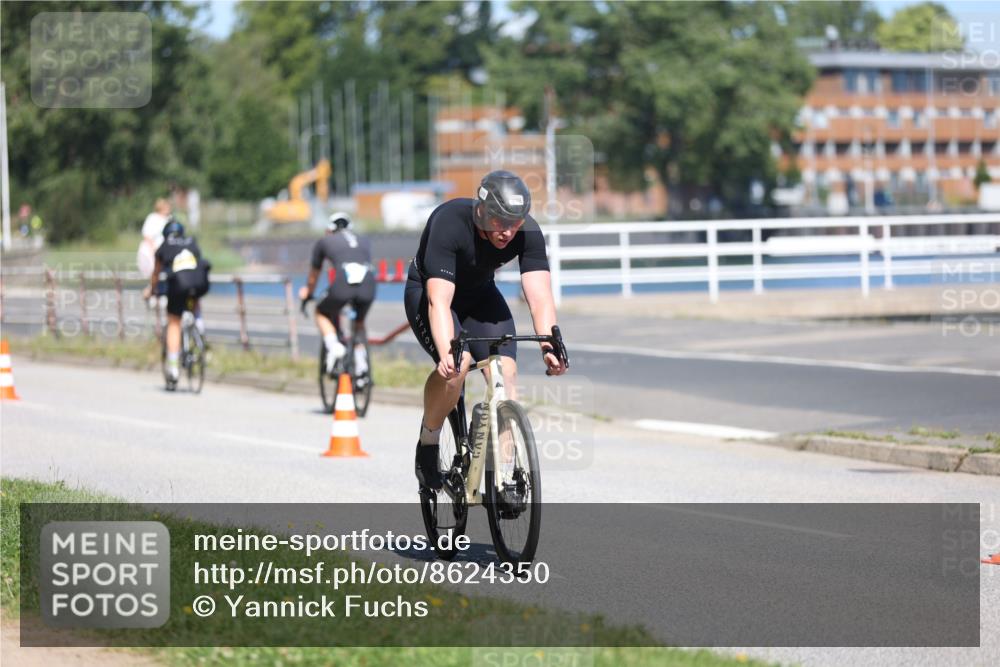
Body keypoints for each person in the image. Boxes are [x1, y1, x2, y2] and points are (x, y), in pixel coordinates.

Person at [404, 170, 567, 490]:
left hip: (480, 297)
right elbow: (439, 301)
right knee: (458, 366)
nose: (507, 231)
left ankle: (504, 479)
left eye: (515, 223)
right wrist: (446, 351)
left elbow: (539, 297)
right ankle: (429, 442)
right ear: (482, 209)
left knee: (506, 373)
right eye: (500, 221)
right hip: (431, 295)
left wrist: (550, 346)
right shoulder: (450, 221)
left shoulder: (526, 231)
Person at [298, 212, 376, 374]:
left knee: (320, 311)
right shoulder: (363, 240)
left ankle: (333, 346)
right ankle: (362, 367)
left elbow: (313, 277)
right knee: (359, 322)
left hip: (343, 285)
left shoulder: (324, 241)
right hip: (369, 285)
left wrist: (307, 293)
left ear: (329, 230)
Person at [143, 219, 210, 383]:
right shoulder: (192, 241)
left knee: (174, 322)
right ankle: (199, 327)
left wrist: (151, 290)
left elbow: (156, 274)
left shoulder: (164, 246)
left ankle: (173, 367)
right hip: (199, 284)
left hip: (179, 285)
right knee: (193, 299)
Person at [138, 198, 171, 279]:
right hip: (151, 250)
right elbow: (147, 235)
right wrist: (154, 250)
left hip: (165, 250)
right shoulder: (152, 218)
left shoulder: (170, 218)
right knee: (154, 273)